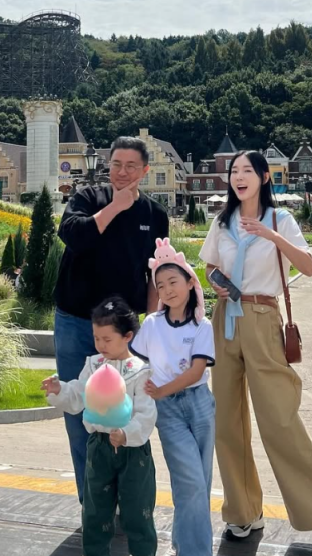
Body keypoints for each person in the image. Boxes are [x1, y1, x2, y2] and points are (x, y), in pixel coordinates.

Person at [199, 151, 312, 556]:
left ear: (264, 177)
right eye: (234, 171)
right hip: (225, 320)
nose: (239, 177)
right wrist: (215, 281)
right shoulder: (222, 221)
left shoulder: (280, 219)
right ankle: (243, 512)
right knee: (227, 424)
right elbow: (210, 266)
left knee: (280, 420)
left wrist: (271, 237)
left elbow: (308, 265)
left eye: (247, 171)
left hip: (263, 317)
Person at [54, 136, 169, 501]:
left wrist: (152, 325)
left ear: (144, 170)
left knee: (125, 414)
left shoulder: (155, 215)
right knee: (78, 416)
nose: (122, 172)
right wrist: (115, 207)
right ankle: (91, 503)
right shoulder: (88, 198)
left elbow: (155, 274)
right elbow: (72, 235)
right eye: (116, 164)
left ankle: (120, 502)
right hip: (76, 322)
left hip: (123, 334)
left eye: (131, 166)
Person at [42, 297, 158, 556]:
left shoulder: (141, 371)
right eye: (96, 338)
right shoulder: (93, 365)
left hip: (132, 452)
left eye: (107, 339)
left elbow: (146, 413)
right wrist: (59, 389)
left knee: (137, 512)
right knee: (95, 512)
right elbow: (79, 395)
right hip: (99, 447)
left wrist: (126, 433)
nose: (100, 345)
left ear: (127, 336)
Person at [131, 238, 216, 556]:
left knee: (198, 483)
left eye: (173, 281)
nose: (167, 290)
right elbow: (134, 363)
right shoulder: (151, 325)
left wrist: (161, 389)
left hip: (200, 404)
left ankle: (184, 544)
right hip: (167, 412)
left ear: (190, 282)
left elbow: (196, 372)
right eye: (160, 285)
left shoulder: (202, 326)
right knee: (191, 480)